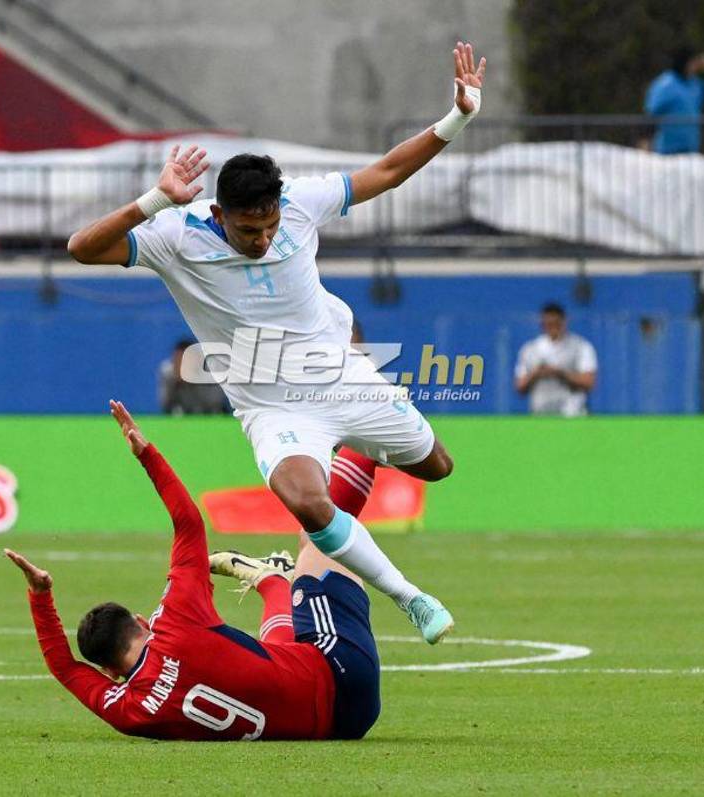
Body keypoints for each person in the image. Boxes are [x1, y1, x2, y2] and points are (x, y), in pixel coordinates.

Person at [66, 42, 489, 644]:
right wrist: (156, 199)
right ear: (218, 212)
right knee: (306, 503)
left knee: (437, 467)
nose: (262, 238)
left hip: (342, 375)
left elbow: (388, 171)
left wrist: (458, 118)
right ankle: (412, 598)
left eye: (268, 225)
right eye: (247, 229)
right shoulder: (175, 239)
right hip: (272, 406)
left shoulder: (301, 205)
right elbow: (81, 248)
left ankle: (352, 449)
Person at [5, 401, 383, 740]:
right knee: (316, 536)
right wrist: (147, 455)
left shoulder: (130, 712)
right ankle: (376, 426)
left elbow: (64, 669)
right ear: (142, 621)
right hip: (343, 672)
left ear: (108, 672)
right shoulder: (176, 619)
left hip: (343, 726)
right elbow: (188, 523)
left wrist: (39, 597)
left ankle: (271, 582)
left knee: (273, 654)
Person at [514, 302, 597, 416]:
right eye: (548, 323)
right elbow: (520, 386)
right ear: (542, 323)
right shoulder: (530, 349)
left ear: (564, 321)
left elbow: (589, 382)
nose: (552, 327)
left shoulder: (581, 346)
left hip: (573, 416)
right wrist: (536, 373)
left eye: (556, 323)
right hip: (541, 416)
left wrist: (560, 373)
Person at [644, 46, 704, 154]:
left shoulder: (694, 83)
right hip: (667, 150)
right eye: (693, 62)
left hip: (690, 147)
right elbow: (651, 114)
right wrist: (645, 142)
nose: (695, 66)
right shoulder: (666, 84)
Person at [158, 339, 230, 415]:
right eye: (177, 361)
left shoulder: (210, 372)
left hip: (210, 414)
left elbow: (216, 402)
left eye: (185, 361)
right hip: (183, 415)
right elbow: (165, 404)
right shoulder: (168, 373)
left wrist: (194, 379)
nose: (181, 366)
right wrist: (175, 384)